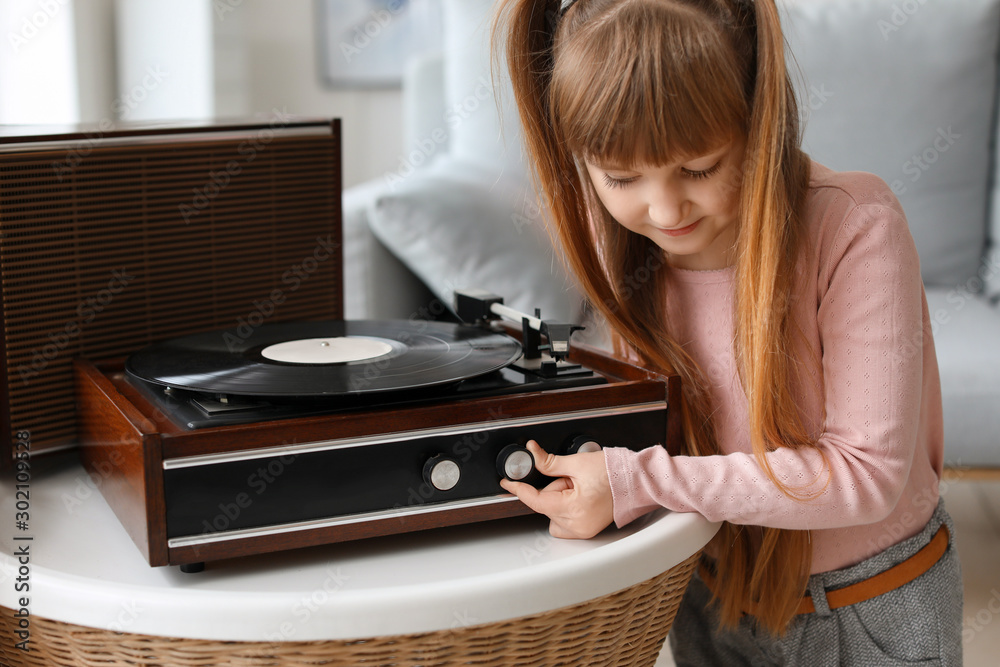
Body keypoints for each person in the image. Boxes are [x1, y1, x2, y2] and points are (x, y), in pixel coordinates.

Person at [491, 0, 963, 664]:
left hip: (864, 608)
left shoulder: (855, 224)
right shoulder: (624, 243)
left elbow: (865, 476)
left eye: (699, 168)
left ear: (757, 119)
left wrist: (641, 481)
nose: (663, 209)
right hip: (707, 596)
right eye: (620, 177)